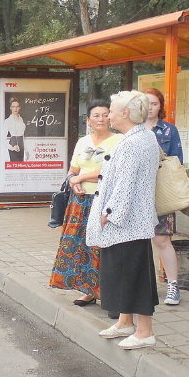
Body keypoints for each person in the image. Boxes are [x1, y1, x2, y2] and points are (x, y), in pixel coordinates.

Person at [86, 91, 160, 350]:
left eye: (113, 111)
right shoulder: (141, 137)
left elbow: (124, 184)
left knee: (133, 274)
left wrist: (109, 214)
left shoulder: (132, 143)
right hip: (132, 221)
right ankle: (125, 321)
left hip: (127, 222)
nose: (109, 115)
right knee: (125, 272)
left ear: (125, 113)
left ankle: (144, 331)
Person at [49, 100, 122, 305]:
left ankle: (108, 293)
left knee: (102, 248)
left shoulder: (119, 140)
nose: (101, 119)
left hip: (104, 202)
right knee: (81, 247)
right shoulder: (82, 142)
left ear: (111, 117)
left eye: (105, 114)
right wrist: (74, 182)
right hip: (80, 201)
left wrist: (80, 178)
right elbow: (73, 170)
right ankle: (88, 290)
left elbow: (111, 171)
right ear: (88, 120)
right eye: (96, 115)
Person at [143, 88, 184, 306]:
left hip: (162, 193)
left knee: (162, 239)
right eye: (146, 103)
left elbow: (177, 163)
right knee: (137, 242)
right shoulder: (133, 129)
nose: (150, 108)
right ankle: (143, 285)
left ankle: (173, 285)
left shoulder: (169, 131)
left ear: (161, 106)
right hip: (137, 193)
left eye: (154, 104)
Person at [4, 97, 26, 162]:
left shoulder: (22, 120)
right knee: (14, 165)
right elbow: (3, 137)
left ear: (19, 107)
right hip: (13, 145)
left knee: (21, 166)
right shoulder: (7, 121)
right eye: (13, 106)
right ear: (11, 108)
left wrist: (26, 150)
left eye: (17, 106)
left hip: (22, 146)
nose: (15, 109)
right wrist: (11, 147)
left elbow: (24, 136)